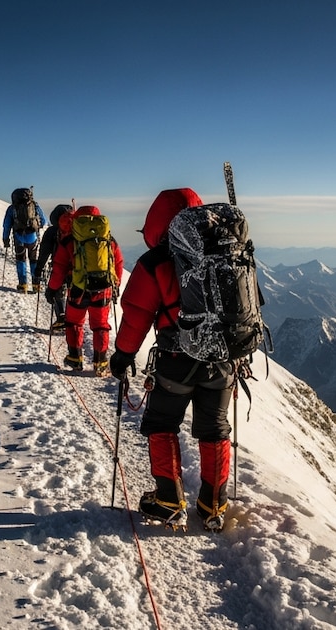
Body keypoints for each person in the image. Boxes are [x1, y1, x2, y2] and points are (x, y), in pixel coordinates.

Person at [108, 188, 236, 531]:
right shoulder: (226, 253)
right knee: (214, 427)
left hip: (176, 360)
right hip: (221, 360)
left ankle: (168, 500)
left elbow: (137, 315)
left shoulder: (155, 262)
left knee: (162, 423)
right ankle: (213, 505)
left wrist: (123, 355)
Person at [45, 205, 124, 376]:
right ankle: (100, 362)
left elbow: (59, 268)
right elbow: (118, 263)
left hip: (78, 290)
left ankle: (75, 358)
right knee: (100, 325)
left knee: (74, 323)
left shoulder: (70, 240)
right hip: (103, 290)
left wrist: (52, 289)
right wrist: (115, 286)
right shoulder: (108, 239)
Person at [34, 204, 75, 333]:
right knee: (74, 294)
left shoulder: (52, 231)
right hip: (78, 267)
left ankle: (61, 317)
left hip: (60, 266)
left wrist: (39, 268)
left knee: (57, 291)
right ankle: (73, 321)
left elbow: (44, 252)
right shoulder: (78, 229)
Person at [2, 188, 48, 292]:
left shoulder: (12, 208)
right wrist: (36, 226)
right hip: (33, 237)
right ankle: (36, 285)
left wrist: (5, 239)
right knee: (33, 260)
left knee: (21, 260)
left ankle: (23, 285)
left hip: (19, 238)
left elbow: (6, 225)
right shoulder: (34, 206)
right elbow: (43, 221)